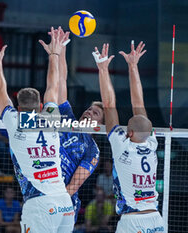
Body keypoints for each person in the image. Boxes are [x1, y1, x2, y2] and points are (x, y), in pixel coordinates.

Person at [0, 28, 74, 232]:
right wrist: (54, 55)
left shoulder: (15, 121)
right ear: (40, 107)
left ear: (19, 108)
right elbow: (52, 88)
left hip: (40, 203)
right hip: (64, 201)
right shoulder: (50, 117)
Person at [96, 41, 164, 233]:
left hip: (133, 221)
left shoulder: (122, 145)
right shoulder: (151, 143)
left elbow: (109, 105)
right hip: (155, 219)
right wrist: (133, 66)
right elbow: (139, 103)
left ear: (130, 133)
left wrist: (103, 69)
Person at [55, 27, 101, 222]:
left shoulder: (93, 150)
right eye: (90, 108)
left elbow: (75, 185)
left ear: (100, 125)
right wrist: (63, 48)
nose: (89, 111)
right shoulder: (67, 118)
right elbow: (61, 82)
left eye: (96, 112)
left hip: (65, 203)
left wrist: (55, 203)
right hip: (44, 193)